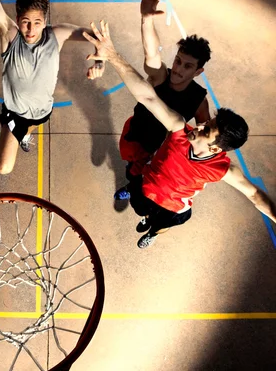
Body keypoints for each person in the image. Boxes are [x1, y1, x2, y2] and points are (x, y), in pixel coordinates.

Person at [83, 21, 276, 248]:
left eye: (206, 129)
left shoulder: (222, 169)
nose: (199, 126)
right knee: (140, 206)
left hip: (173, 208)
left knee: (161, 224)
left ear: (215, 148)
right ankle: (144, 213)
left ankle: (154, 232)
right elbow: (147, 97)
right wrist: (113, 56)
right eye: (207, 122)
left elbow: (255, 195)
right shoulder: (178, 130)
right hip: (145, 188)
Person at [0, 0, 105, 174]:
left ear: (45, 21)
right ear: (17, 20)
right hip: (15, 113)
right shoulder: (9, 34)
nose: (31, 29)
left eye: (37, 23)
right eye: (25, 22)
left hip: (42, 108)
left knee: (33, 124)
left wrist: (100, 61)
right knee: (3, 168)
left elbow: (97, 36)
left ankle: (25, 135)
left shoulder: (57, 34)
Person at [116, 0, 212, 200]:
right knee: (132, 171)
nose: (178, 69)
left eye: (188, 66)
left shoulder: (199, 100)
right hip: (137, 138)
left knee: (148, 184)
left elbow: (205, 137)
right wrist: (146, 19)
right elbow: (152, 54)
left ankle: (136, 190)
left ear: (198, 72)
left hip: (158, 150)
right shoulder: (161, 77)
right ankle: (130, 186)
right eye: (178, 60)